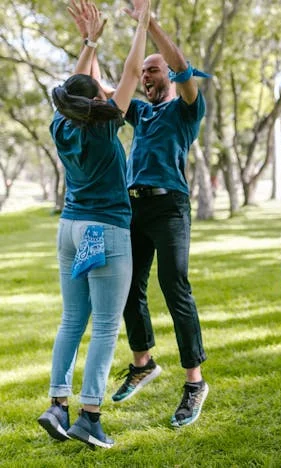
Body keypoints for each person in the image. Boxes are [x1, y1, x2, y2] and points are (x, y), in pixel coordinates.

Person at [37, 0, 150, 448]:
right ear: (98, 101)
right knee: (104, 325)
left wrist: (90, 42)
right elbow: (131, 69)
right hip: (104, 233)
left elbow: (77, 87)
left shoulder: (60, 127)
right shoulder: (105, 127)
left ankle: (57, 405)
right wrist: (142, 21)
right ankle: (89, 416)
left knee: (72, 320)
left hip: (70, 230)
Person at [109, 0, 210, 427]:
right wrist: (90, 42)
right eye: (144, 72)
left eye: (154, 70)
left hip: (169, 206)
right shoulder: (141, 112)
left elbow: (183, 68)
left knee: (175, 287)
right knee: (128, 288)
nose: (146, 75)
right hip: (134, 205)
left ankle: (194, 383)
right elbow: (109, 89)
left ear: (166, 75)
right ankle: (143, 361)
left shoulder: (186, 108)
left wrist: (149, 24)